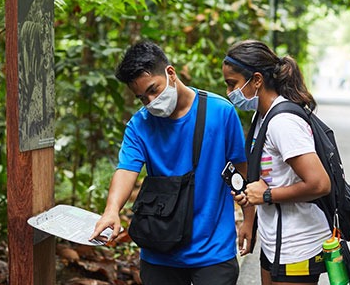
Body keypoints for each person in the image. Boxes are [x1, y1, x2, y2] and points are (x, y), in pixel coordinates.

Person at [90, 41, 249, 285]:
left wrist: (249, 220)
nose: (151, 101)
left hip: (213, 250)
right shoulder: (140, 124)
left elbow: (241, 172)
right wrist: (112, 210)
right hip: (160, 250)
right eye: (142, 98)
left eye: (154, 90)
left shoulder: (221, 112)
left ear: (171, 73)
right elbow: (126, 169)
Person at [222, 40, 332, 285]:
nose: (229, 93)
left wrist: (267, 195)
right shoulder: (262, 115)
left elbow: (320, 184)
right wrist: (249, 220)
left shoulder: (283, 122)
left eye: (233, 84)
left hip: (298, 243)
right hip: (275, 241)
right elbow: (265, 178)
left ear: (257, 80)